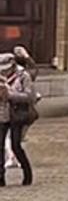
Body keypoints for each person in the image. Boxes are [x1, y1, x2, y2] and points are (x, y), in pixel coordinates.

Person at [0, 54, 34, 187]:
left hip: (17, 115)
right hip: (2, 114)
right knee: (0, 146)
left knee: (16, 145)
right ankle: (1, 177)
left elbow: (29, 96)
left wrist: (10, 95)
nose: (4, 71)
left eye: (7, 69)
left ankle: (27, 173)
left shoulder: (23, 76)